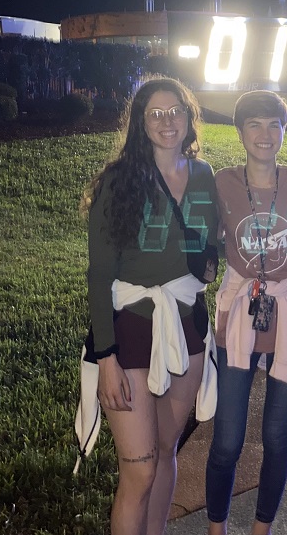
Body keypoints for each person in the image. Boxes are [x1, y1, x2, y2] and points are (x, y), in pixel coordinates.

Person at [79, 77, 220, 535]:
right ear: (139, 122)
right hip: (133, 328)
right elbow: (99, 277)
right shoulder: (119, 181)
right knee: (138, 469)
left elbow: (207, 238)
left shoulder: (203, 175)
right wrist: (107, 358)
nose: (167, 121)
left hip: (187, 326)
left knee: (166, 451)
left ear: (189, 116)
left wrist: (209, 261)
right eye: (156, 113)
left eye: (175, 110)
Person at [206, 91, 287, 535]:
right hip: (237, 311)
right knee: (228, 440)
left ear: (285, 131)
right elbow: (205, 244)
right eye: (255, 124)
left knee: (276, 435)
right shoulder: (221, 182)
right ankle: (217, 528)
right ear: (239, 132)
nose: (265, 134)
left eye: (274, 124)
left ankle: (261, 528)